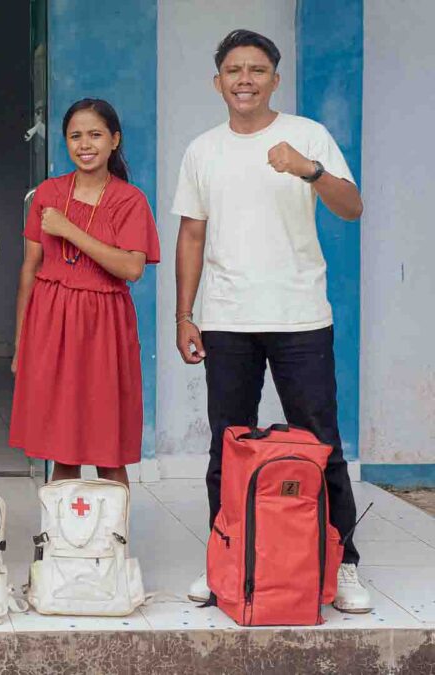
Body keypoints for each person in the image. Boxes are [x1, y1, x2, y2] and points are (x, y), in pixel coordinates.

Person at [172, 29, 370, 613]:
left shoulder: (307, 135)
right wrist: (186, 314)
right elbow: (191, 232)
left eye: (257, 69)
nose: (245, 79)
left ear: (275, 79)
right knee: (228, 444)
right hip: (227, 319)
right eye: (234, 70)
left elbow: (352, 207)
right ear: (218, 82)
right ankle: (225, 561)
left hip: (301, 317)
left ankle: (344, 561)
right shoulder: (202, 150)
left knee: (321, 442)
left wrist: (309, 170)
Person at [10, 98, 160, 486]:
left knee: (107, 450)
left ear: (114, 140)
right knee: (62, 449)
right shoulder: (48, 193)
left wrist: (69, 230)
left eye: (95, 134)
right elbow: (30, 268)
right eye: (75, 136)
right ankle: (62, 542)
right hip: (51, 322)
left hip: (104, 327)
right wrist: (20, 341)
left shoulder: (130, 200)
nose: (85, 144)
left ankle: (113, 542)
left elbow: (131, 267)